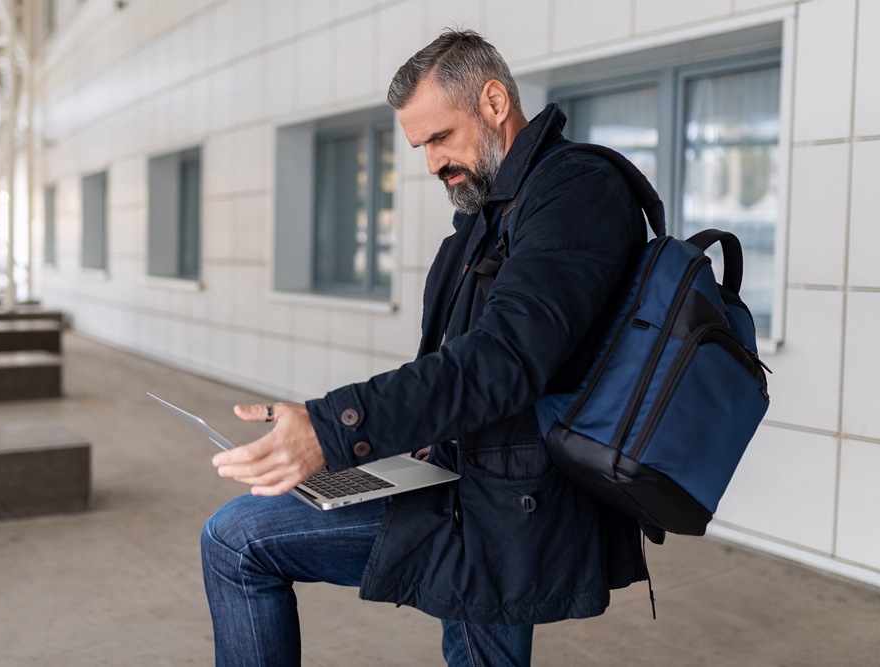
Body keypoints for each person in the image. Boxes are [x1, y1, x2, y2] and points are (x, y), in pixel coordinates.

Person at [201, 29, 650, 667]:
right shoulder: (493, 210)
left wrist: (335, 428)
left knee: (238, 540)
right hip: (466, 478)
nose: (433, 163)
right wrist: (399, 441)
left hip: (509, 504)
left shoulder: (575, 191)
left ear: (494, 102)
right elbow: (454, 358)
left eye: (441, 137)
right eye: (422, 147)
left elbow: (505, 359)